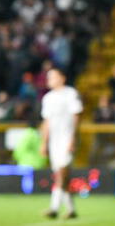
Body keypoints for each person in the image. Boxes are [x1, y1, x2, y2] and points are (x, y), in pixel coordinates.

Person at [40, 68, 83, 219]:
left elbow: (76, 117)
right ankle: (71, 210)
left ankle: (54, 207)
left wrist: (73, 138)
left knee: (62, 173)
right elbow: (46, 122)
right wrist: (44, 143)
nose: (49, 79)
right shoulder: (47, 98)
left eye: (53, 76)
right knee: (61, 176)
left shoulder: (70, 94)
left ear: (62, 78)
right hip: (54, 141)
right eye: (48, 77)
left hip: (66, 139)